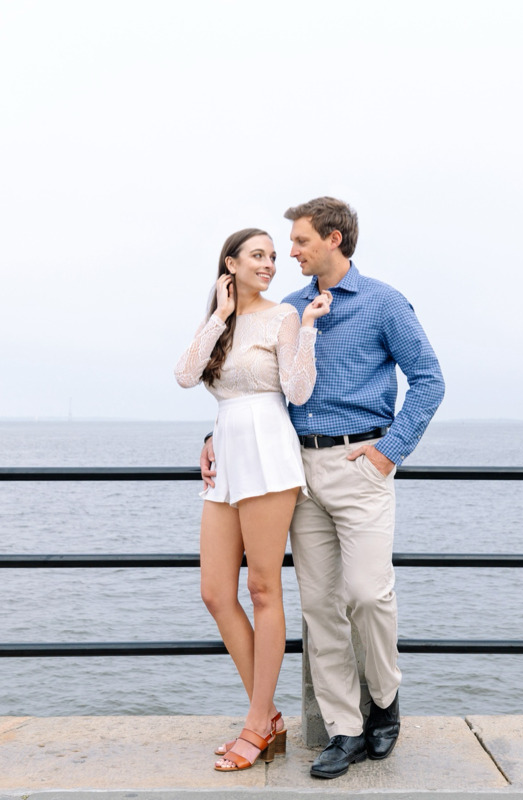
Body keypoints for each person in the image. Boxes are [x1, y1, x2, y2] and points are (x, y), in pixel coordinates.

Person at [200, 198, 445, 780]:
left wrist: (390, 451)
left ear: (333, 239)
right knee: (318, 608)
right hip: (295, 472)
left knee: (366, 594)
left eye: (300, 241)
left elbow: (430, 380)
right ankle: (344, 730)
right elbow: (254, 386)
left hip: (361, 464)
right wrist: (212, 437)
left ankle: (384, 698)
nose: (290, 252)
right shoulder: (287, 310)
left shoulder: (385, 302)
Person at [174, 228, 332, 771]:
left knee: (263, 588)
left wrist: (308, 328)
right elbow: (184, 375)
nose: (270, 264)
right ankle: (266, 718)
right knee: (215, 592)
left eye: (272, 256)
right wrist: (220, 314)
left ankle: (256, 721)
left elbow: (298, 390)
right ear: (231, 264)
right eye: (258, 256)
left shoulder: (283, 316)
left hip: (268, 453)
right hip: (228, 460)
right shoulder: (221, 320)